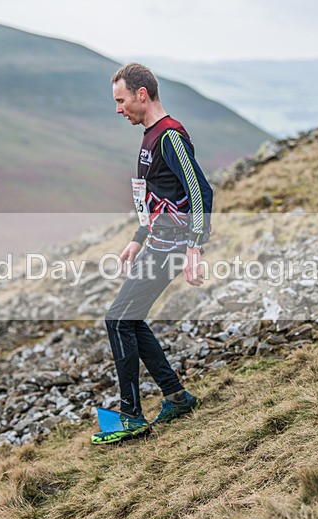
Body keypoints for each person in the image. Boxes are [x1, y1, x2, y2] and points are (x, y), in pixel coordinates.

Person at [92, 63, 214, 445]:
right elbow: (158, 195)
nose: (118, 109)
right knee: (129, 318)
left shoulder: (170, 137)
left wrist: (194, 247)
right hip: (158, 242)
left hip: (173, 247)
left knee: (117, 320)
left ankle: (131, 417)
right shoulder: (151, 136)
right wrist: (138, 236)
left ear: (141, 95)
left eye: (121, 100)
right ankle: (176, 395)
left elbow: (200, 193)